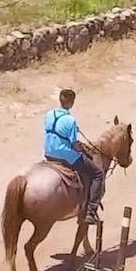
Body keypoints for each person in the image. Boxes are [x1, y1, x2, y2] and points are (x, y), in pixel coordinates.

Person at [44, 88, 102, 224]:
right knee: (97, 174)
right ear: (72, 102)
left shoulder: (49, 114)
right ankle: (91, 211)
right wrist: (82, 149)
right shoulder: (70, 120)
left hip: (48, 152)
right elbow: (75, 145)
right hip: (65, 155)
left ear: (60, 99)